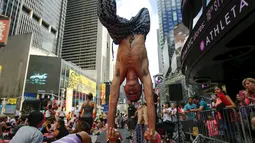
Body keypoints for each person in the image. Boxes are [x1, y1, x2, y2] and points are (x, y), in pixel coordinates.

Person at [98, 0, 157, 142]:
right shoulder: (144, 73)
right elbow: (150, 101)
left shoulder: (118, 73)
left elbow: (112, 102)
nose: (131, 91)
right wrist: (152, 128)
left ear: (123, 87)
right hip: (141, 25)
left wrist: (110, 129)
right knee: (143, 11)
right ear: (141, 87)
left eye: (129, 94)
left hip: (122, 32)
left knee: (105, 16)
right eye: (135, 92)